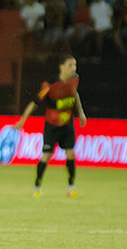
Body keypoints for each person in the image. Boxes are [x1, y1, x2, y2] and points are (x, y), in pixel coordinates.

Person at [14, 54, 87, 198]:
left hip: (67, 124)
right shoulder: (50, 85)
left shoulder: (74, 80)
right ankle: (37, 187)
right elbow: (35, 102)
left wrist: (81, 113)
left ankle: (71, 188)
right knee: (46, 156)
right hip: (52, 126)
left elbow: (74, 94)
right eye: (70, 65)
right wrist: (22, 120)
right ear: (62, 67)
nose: (73, 68)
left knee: (70, 154)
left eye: (75, 66)